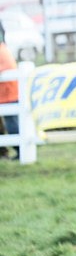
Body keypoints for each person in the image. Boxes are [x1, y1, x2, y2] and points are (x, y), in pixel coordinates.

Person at [0, 20, 20, 160]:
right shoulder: (3, 48)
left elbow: (6, 68)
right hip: (6, 93)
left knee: (12, 123)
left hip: (7, 94)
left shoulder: (2, 51)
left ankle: (20, 149)